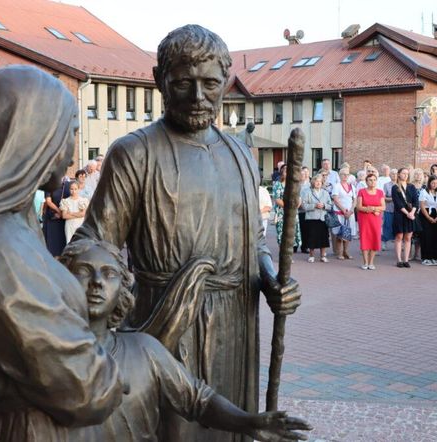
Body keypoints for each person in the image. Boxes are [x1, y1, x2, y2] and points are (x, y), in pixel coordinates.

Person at [72, 25, 301, 442]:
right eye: (183, 83)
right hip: (165, 324)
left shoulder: (240, 156)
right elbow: (95, 244)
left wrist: (272, 280)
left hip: (235, 321)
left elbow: (255, 244)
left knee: (236, 426)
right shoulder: (135, 153)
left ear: (226, 83)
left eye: (210, 83)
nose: (198, 96)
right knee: (176, 429)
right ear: (161, 80)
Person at [0, 66, 126, 440]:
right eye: (71, 133)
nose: (70, 152)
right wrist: (114, 372)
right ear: (34, 135)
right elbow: (86, 387)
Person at [62, 239, 312, 442]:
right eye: (84, 272)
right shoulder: (43, 355)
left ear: (122, 290)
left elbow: (198, 400)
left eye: (109, 274)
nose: (96, 282)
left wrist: (248, 422)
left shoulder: (144, 350)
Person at [356, 173, 385, 269]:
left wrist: (374, 209)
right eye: (370, 180)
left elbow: (383, 206)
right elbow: (359, 206)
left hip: (376, 219)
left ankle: (371, 262)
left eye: (374, 180)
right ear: (366, 181)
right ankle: (365, 262)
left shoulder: (380, 192)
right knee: (365, 238)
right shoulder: (361, 191)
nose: (372, 182)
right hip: (364, 219)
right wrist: (371, 209)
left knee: (375, 238)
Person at [301, 174, 332, 263]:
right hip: (311, 218)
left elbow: (330, 205)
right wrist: (314, 205)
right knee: (312, 237)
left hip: (322, 218)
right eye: (316, 181)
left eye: (320, 181)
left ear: (322, 183)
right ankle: (311, 256)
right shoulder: (307, 192)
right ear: (313, 182)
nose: (318, 183)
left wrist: (324, 205)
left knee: (324, 238)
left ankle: (323, 256)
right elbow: (304, 206)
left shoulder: (325, 192)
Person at [391, 168, 417, 267]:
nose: (405, 175)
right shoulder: (395, 187)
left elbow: (416, 201)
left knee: (408, 237)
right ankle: (399, 260)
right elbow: (398, 203)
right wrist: (407, 213)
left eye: (407, 173)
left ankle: (406, 260)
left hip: (411, 215)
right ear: (398, 174)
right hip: (400, 214)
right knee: (399, 236)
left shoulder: (412, 187)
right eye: (403, 173)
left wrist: (413, 212)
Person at [273, 165, 302, 251]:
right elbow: (277, 199)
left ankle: (289, 255)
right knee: (282, 234)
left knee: (291, 234)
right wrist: (288, 208)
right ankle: (282, 254)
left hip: (293, 213)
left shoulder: (295, 185)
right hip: (282, 213)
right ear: (282, 173)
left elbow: (299, 198)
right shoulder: (278, 184)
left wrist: (296, 205)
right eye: (286, 172)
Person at [331, 167, 356, 260]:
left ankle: (346, 251)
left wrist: (351, 210)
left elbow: (355, 200)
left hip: (350, 213)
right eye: (343, 174)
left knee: (348, 233)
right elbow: (336, 200)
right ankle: (339, 252)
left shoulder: (352, 187)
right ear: (340, 175)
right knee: (339, 233)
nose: (345, 176)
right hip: (340, 213)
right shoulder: (336, 186)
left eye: (347, 174)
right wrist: (343, 210)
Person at [43, 177, 69, 257]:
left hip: (63, 217)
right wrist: (59, 211)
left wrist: (64, 213)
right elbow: (48, 201)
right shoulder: (49, 186)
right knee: (52, 240)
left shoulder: (66, 186)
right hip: (52, 217)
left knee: (61, 239)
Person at [419, 175, 437, 266]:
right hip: (426, 214)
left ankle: (433, 257)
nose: (434, 185)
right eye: (433, 183)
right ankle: (425, 257)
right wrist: (428, 217)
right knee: (426, 236)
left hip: (436, 214)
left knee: (435, 236)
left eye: (436, 183)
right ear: (429, 183)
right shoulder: (424, 192)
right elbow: (422, 206)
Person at [382, 168, 397, 250]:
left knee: (398, 226)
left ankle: (399, 243)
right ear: (390, 175)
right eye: (392, 174)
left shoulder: (400, 184)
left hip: (399, 209)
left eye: (395, 174)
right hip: (388, 209)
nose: (394, 175)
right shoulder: (386, 185)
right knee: (387, 225)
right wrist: (394, 198)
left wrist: (391, 198)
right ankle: (384, 242)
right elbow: (383, 197)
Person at [298, 166, 311, 253]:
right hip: (298, 209)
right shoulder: (297, 184)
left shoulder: (310, 184)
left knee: (306, 229)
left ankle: (305, 246)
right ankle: (295, 246)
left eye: (306, 172)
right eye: (303, 173)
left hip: (307, 210)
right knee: (297, 228)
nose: (305, 174)